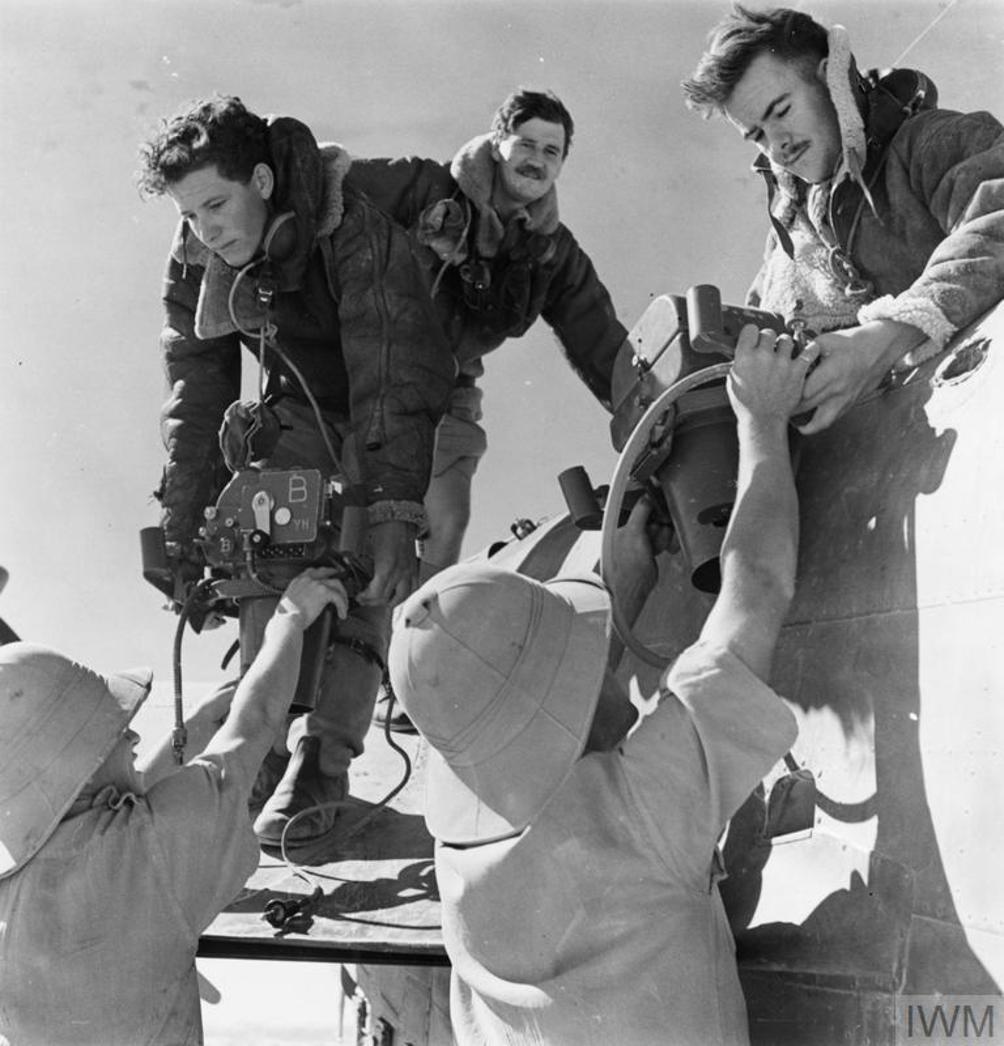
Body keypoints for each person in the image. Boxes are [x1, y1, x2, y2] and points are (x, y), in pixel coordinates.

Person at [388, 324, 816, 1044]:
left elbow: (532, 717)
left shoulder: (460, 857)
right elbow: (759, 593)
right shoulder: (639, 810)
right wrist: (764, 424)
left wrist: (615, 602)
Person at [136, 95, 454, 844]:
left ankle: (322, 765)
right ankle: (262, 750)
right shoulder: (198, 260)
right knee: (256, 532)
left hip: (392, 404)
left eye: (217, 203)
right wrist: (182, 529)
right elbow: (196, 391)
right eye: (189, 214)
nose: (205, 228)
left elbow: (395, 374)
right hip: (298, 411)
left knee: (366, 568)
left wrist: (391, 514)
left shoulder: (353, 231)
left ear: (264, 180)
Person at [0, 568, 349, 1046]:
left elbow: (113, 810)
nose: (135, 736)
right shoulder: (152, 851)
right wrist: (289, 618)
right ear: (86, 760)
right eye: (119, 731)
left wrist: (199, 723)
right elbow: (258, 722)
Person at [347, 87, 629, 586]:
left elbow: (601, 341)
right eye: (526, 144)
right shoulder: (424, 187)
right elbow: (329, 182)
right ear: (497, 141)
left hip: (449, 391)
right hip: (367, 379)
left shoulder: (551, 254)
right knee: (352, 528)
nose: (536, 160)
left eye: (551, 151)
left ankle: (396, 648)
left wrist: (649, 411)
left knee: (445, 524)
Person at [682, 5, 1004, 435]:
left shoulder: (930, 143)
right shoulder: (787, 249)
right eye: (757, 135)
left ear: (830, 79)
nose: (777, 146)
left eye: (780, 111)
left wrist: (886, 337)